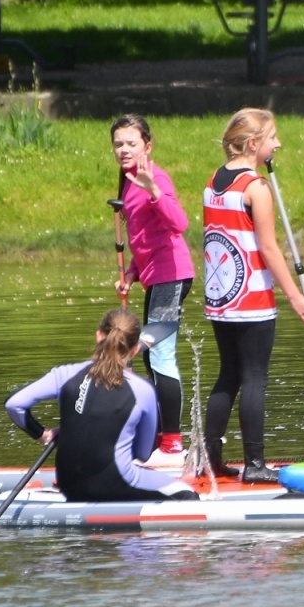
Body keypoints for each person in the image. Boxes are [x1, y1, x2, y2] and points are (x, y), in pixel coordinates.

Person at [201, 108, 304, 483]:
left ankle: (210, 457)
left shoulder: (213, 181)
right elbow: (269, 249)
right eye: (273, 138)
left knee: (228, 375)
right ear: (253, 144)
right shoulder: (256, 187)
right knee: (254, 377)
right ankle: (255, 464)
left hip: (221, 298)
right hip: (251, 298)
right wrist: (296, 299)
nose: (278, 144)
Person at [5, 308, 197, 502]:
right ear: (135, 350)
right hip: (117, 483)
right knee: (188, 494)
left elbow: (15, 404)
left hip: (69, 485)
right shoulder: (143, 389)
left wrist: (43, 434)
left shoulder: (64, 374)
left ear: (98, 336)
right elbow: (142, 453)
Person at [110, 114, 194, 461]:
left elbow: (179, 223)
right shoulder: (129, 180)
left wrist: (154, 190)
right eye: (118, 144)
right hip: (154, 275)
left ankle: (173, 444)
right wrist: (131, 272)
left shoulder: (153, 177)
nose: (124, 150)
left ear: (147, 145)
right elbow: (143, 236)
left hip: (172, 274)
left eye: (131, 143)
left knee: (159, 355)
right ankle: (162, 437)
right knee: (151, 360)